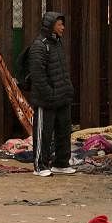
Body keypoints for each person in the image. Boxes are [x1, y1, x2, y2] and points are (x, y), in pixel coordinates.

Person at [28, 11, 75, 178]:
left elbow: (61, 70)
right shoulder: (39, 46)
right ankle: (40, 165)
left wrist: (67, 90)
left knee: (64, 131)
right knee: (43, 133)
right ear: (51, 25)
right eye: (60, 24)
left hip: (62, 97)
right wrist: (49, 93)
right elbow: (37, 74)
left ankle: (61, 163)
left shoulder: (57, 43)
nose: (63, 27)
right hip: (46, 99)